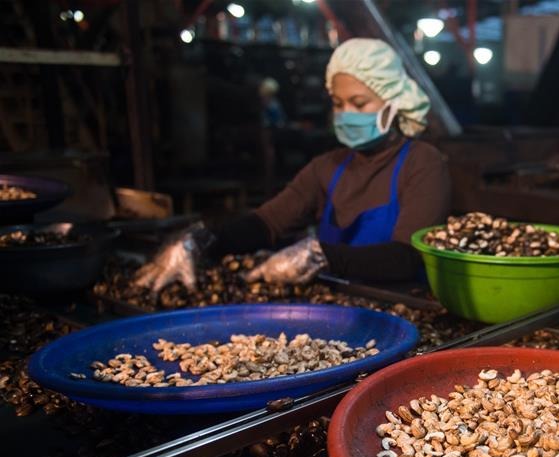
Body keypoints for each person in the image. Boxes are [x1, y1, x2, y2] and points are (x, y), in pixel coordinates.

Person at [135, 38, 450, 291]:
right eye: (338, 104)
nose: (346, 114)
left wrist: (319, 256)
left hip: (404, 310)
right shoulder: (327, 167)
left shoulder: (422, 163)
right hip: (338, 310)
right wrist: (202, 240)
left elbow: (407, 258)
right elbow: (266, 224)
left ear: (393, 102)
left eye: (359, 103)